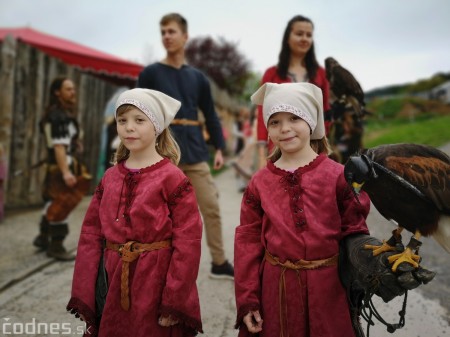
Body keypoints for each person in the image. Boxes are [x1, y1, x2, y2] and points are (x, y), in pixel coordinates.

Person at [234, 82, 433, 337]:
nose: (284, 128)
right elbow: (248, 242)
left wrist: (370, 258)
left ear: (311, 120)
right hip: (276, 290)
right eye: (275, 122)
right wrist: (248, 299)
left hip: (328, 291)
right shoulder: (259, 182)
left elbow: (354, 230)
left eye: (294, 118)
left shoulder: (339, 175)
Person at [67, 88, 203, 337]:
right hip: (111, 277)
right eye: (122, 120)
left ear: (157, 127)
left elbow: (188, 242)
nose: (129, 127)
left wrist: (174, 298)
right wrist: (86, 290)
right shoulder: (109, 177)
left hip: (154, 279)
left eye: (139, 120)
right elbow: (90, 234)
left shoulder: (173, 178)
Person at [137, 13, 234, 279]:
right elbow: (139, 113)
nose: (166, 36)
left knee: (210, 207)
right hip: (163, 151)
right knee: (161, 213)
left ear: (185, 36)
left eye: (171, 31)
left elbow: (210, 114)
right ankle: (155, 262)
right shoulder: (150, 74)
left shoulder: (198, 78)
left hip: (194, 150)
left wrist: (219, 148)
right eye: (163, 32)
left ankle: (219, 262)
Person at [256, 15, 331, 169]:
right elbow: (263, 113)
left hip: (314, 148)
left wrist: (323, 143)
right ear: (287, 38)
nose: (304, 38)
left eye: (309, 35)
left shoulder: (321, 74)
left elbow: (325, 111)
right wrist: (261, 154)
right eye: (299, 33)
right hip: (281, 148)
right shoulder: (272, 74)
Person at [32, 77, 91, 260]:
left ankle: (43, 237)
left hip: (57, 165)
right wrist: (66, 172)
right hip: (61, 166)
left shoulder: (57, 113)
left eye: (73, 89)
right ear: (57, 92)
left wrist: (76, 144)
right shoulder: (59, 116)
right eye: (68, 89)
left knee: (52, 202)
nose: (73, 92)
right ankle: (56, 246)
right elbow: (58, 146)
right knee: (62, 204)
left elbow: (63, 143)